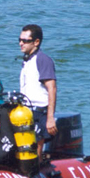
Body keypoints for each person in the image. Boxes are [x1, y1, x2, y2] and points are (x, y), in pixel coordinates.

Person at [19, 24, 58, 160]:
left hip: (39, 112)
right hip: (26, 111)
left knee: (36, 153)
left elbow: (52, 88)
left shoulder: (42, 60)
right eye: (19, 40)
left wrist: (50, 118)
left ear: (36, 42)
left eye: (25, 40)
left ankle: (38, 170)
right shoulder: (27, 61)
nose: (20, 43)